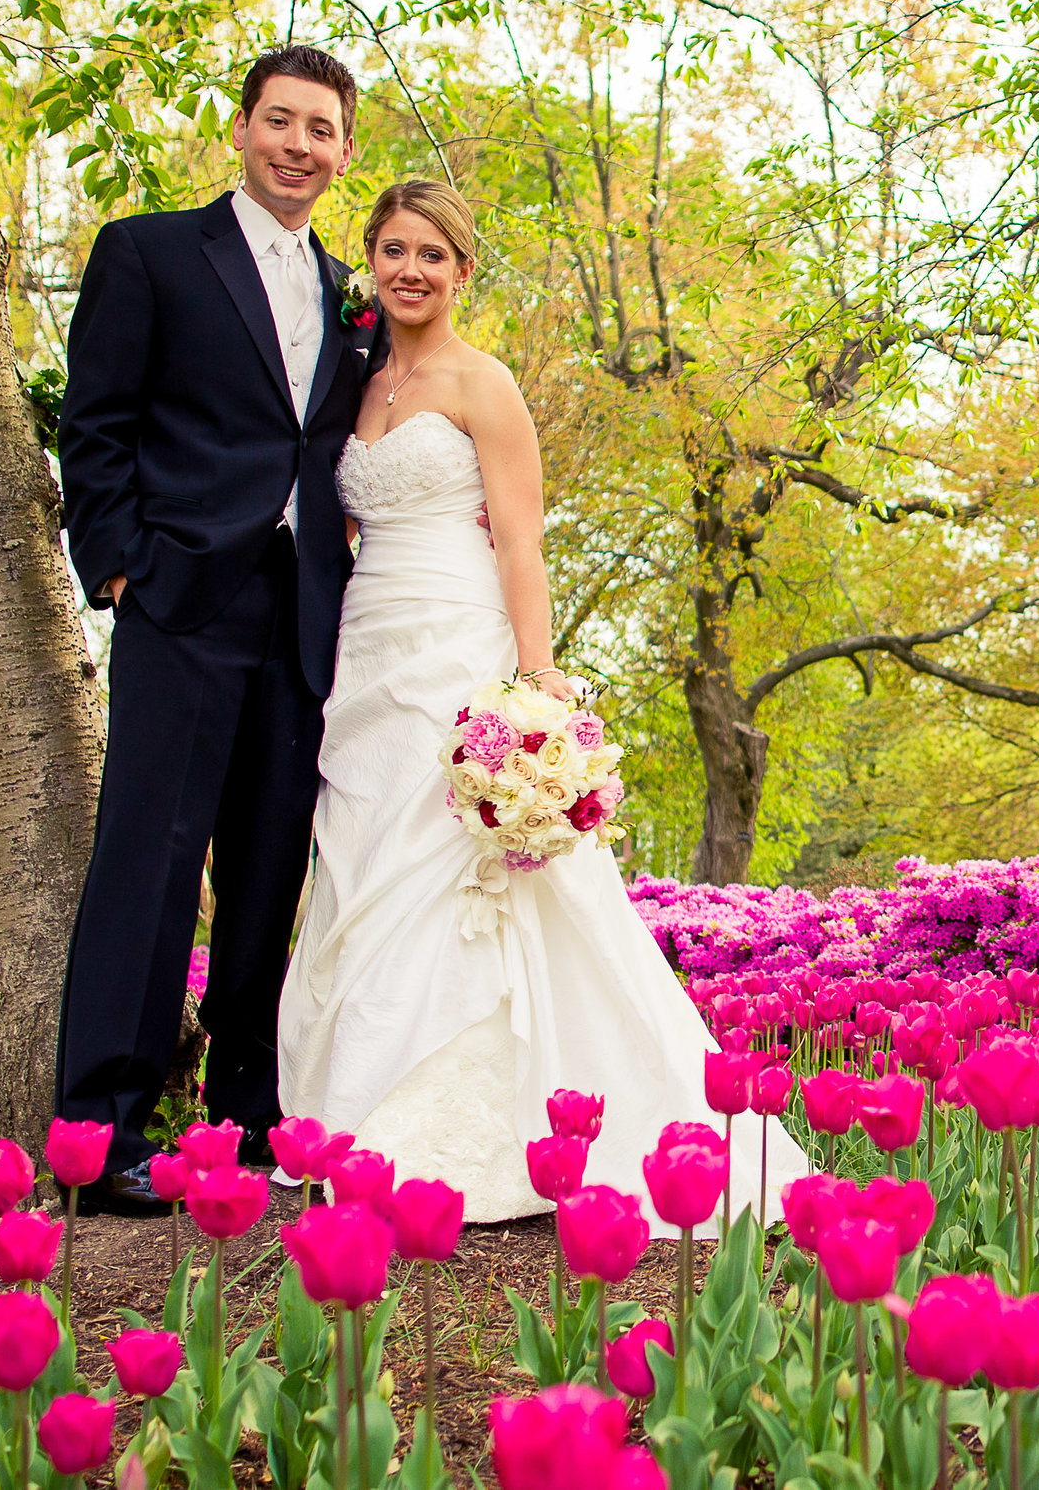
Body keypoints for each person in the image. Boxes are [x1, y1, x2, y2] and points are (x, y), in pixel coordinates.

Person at [277, 179, 808, 1229]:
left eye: (432, 252)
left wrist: (533, 680)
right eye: (392, 249)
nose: (410, 268)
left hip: (459, 647)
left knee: (457, 867)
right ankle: (359, 1116)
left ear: (462, 270)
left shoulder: (486, 384)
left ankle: (489, 1129)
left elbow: (520, 540)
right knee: (361, 856)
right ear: (369, 263)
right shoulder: (358, 385)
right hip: (367, 651)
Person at [54, 46, 375, 1210]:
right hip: (181, 602)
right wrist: (120, 569)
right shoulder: (148, 252)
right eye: (280, 121)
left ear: (344, 151)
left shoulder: (356, 294)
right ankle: (103, 1130)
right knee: (147, 863)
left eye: (321, 129)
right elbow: (94, 423)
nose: (299, 145)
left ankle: (242, 1116)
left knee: (266, 872)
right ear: (241, 130)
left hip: (302, 619)